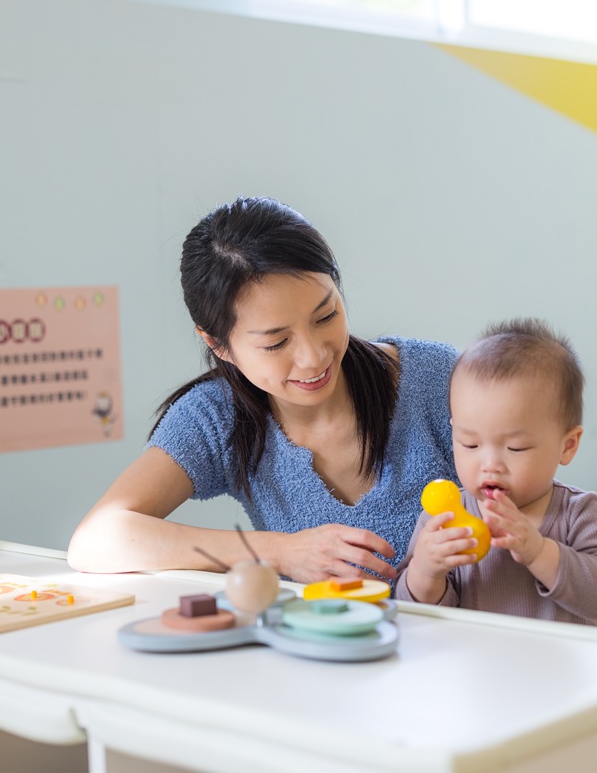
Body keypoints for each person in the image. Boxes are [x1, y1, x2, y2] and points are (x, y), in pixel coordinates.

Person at [67, 196, 458, 583]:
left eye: (326, 316)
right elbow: (97, 539)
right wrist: (280, 552)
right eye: (275, 343)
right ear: (218, 345)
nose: (313, 356)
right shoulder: (218, 416)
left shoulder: (439, 380)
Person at [395, 318, 597, 626]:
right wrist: (426, 571)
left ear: (567, 445)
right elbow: (416, 614)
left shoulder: (581, 513)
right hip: (477, 668)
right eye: (470, 444)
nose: (490, 464)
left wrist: (537, 550)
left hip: (565, 671)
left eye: (515, 448)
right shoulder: (447, 519)